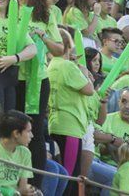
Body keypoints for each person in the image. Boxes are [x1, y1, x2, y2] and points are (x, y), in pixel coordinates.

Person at [48, 29, 94, 192]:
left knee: (62, 175)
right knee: (69, 179)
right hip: (70, 127)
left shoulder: (52, 65)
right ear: (68, 45)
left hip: (56, 123)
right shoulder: (67, 66)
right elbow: (89, 89)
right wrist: (84, 73)